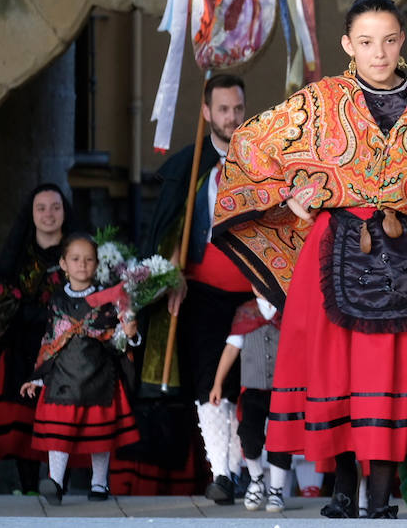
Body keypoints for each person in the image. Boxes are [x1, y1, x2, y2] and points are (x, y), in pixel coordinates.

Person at [212, 0, 407, 520]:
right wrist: (287, 195)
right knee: (338, 371)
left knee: (389, 373)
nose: (378, 52)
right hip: (334, 248)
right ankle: (343, 494)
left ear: (402, 41)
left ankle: (381, 500)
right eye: (366, 41)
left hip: (403, 253)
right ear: (348, 44)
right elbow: (251, 143)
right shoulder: (320, 100)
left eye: (388, 40)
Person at [135, 73, 252, 502]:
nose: (231, 117)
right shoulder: (188, 166)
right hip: (201, 292)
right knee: (208, 381)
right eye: (223, 109)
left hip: (253, 293)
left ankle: (240, 471)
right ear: (206, 113)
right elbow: (168, 230)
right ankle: (221, 472)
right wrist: (171, 274)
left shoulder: (261, 164)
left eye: (237, 108)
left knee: (245, 385)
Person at [21, 234, 141, 504]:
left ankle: (99, 483)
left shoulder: (110, 298)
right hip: (62, 379)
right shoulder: (56, 300)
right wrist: (38, 378)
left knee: (99, 433)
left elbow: (117, 340)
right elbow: (51, 341)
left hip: (100, 377)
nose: (82, 264)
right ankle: (55, 481)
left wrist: (130, 333)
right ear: (63, 264)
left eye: (89, 259)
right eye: (75, 259)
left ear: (97, 264)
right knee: (59, 432)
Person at [0, 183, 70, 493]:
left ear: (65, 212)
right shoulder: (18, 254)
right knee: (25, 420)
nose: (49, 214)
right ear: (32, 213)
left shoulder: (77, 253)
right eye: (41, 208)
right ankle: (29, 487)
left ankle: (58, 485)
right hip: (23, 348)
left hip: (67, 349)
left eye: (55, 207)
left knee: (64, 418)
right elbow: (3, 306)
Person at [208, 287, 290, 512]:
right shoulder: (246, 312)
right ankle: (256, 479)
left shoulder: (287, 310)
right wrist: (217, 383)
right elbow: (231, 349)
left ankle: (276, 490)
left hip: (282, 390)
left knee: (281, 439)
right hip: (253, 389)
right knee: (249, 436)